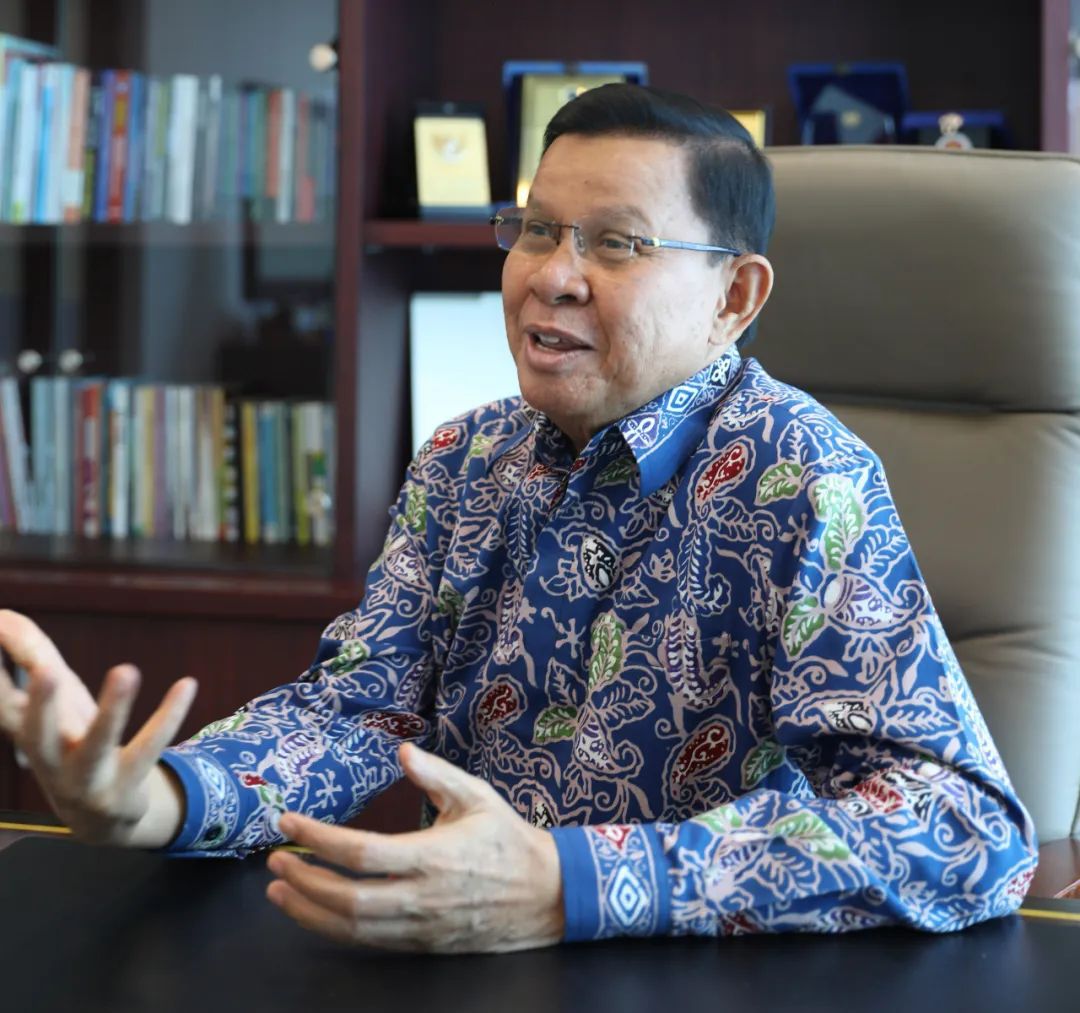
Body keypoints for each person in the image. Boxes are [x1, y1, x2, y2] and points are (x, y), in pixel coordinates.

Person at [0, 84, 1037, 952]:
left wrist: (570, 880)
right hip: (465, 962)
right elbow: (359, 711)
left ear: (734, 296)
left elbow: (964, 831)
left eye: (616, 243)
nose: (552, 276)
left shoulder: (803, 477)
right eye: (536, 229)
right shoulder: (466, 457)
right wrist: (158, 798)